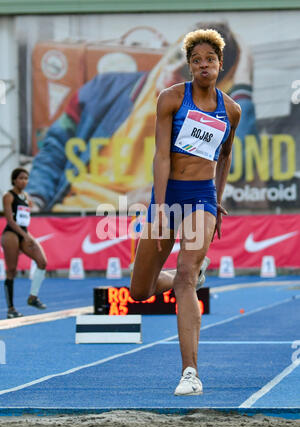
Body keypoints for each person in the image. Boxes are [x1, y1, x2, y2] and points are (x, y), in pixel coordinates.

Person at [25, 22, 251, 213]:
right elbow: (54, 148)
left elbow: (239, 161)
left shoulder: (207, 119)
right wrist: (35, 198)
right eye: (176, 57)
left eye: (187, 71)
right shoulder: (102, 89)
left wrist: (241, 85)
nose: (171, 70)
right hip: (72, 217)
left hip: (141, 223)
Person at [130, 29, 241, 395]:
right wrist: (160, 207)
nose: (204, 65)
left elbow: (224, 156)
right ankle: (184, 278)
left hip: (201, 200)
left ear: (219, 64)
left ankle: (190, 373)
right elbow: (161, 156)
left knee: (185, 279)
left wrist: (218, 200)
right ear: (190, 66)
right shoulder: (172, 99)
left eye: (210, 59)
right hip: (169, 195)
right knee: (140, 291)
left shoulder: (232, 111)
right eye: (197, 60)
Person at [1, 168, 47, 318]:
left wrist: (28, 205)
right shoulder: (8, 196)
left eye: (26, 178)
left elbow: (24, 216)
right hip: (11, 234)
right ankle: (11, 309)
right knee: (12, 271)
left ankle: (33, 297)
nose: (24, 181)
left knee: (42, 262)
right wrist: (25, 236)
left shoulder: (26, 196)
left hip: (23, 233)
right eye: (21, 178)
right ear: (14, 180)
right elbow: (10, 220)